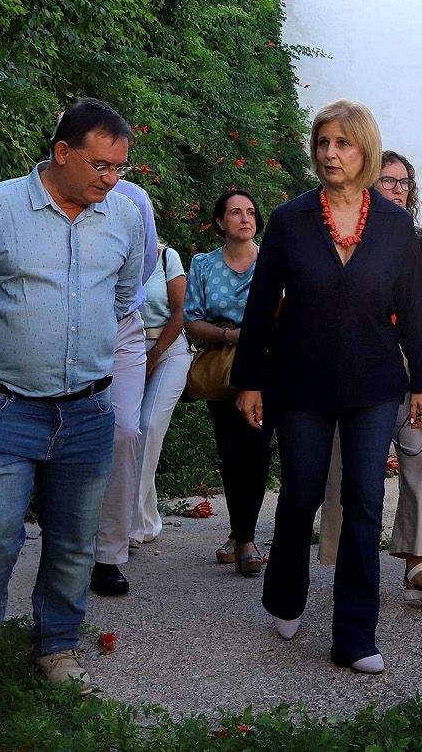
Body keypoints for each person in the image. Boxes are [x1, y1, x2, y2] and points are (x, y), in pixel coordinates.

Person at [0, 98, 144, 707]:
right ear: (62, 152)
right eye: (100, 165)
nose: (110, 178)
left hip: (88, 411)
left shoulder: (123, 218)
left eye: (120, 167)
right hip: (3, 408)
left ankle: (57, 648)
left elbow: (125, 292)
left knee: (74, 539)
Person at [231, 101, 422, 675]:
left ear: (364, 150)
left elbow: (411, 312)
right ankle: (286, 595)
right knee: (300, 495)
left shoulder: (396, 227)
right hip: (300, 380)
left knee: (366, 501)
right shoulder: (290, 220)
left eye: (342, 144)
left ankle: (355, 636)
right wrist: (249, 379)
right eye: (322, 143)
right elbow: (262, 308)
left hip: (373, 383)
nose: (329, 154)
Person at [318, 149, 422, 603]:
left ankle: (417, 563)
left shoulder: (418, 239)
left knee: (421, 452)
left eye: (404, 182)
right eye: (389, 181)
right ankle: (343, 562)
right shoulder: (342, 234)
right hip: (354, 366)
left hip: (408, 365)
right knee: (348, 467)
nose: (399, 189)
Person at [183, 189, 271, 576]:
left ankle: (245, 538)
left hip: (268, 364)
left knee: (257, 449)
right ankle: (240, 535)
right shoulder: (203, 264)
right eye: (235, 213)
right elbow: (190, 318)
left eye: (250, 212)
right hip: (223, 365)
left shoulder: (272, 260)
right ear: (220, 222)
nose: (244, 218)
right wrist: (229, 336)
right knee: (232, 452)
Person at [90, 179, 159, 596]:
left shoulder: (132, 199)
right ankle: (67, 544)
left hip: (120, 327)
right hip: (56, 330)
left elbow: (144, 261)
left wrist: (112, 308)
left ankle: (109, 555)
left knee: (124, 432)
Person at [130, 235, 192, 547]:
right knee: (128, 433)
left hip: (169, 351)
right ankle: (146, 519)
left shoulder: (167, 256)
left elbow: (181, 313)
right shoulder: (116, 252)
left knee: (148, 426)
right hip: (126, 352)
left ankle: (130, 525)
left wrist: (152, 357)